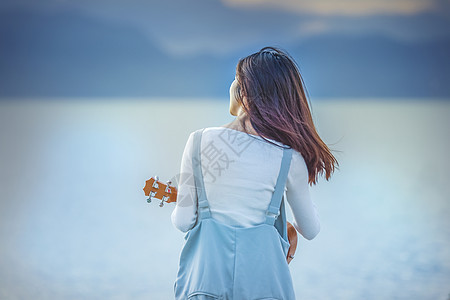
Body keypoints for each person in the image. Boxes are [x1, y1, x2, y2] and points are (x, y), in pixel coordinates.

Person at [171, 46, 339, 300]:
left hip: (205, 287)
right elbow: (310, 229)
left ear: (244, 92)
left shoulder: (198, 142)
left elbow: (183, 221)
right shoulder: (288, 157)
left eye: (235, 80)